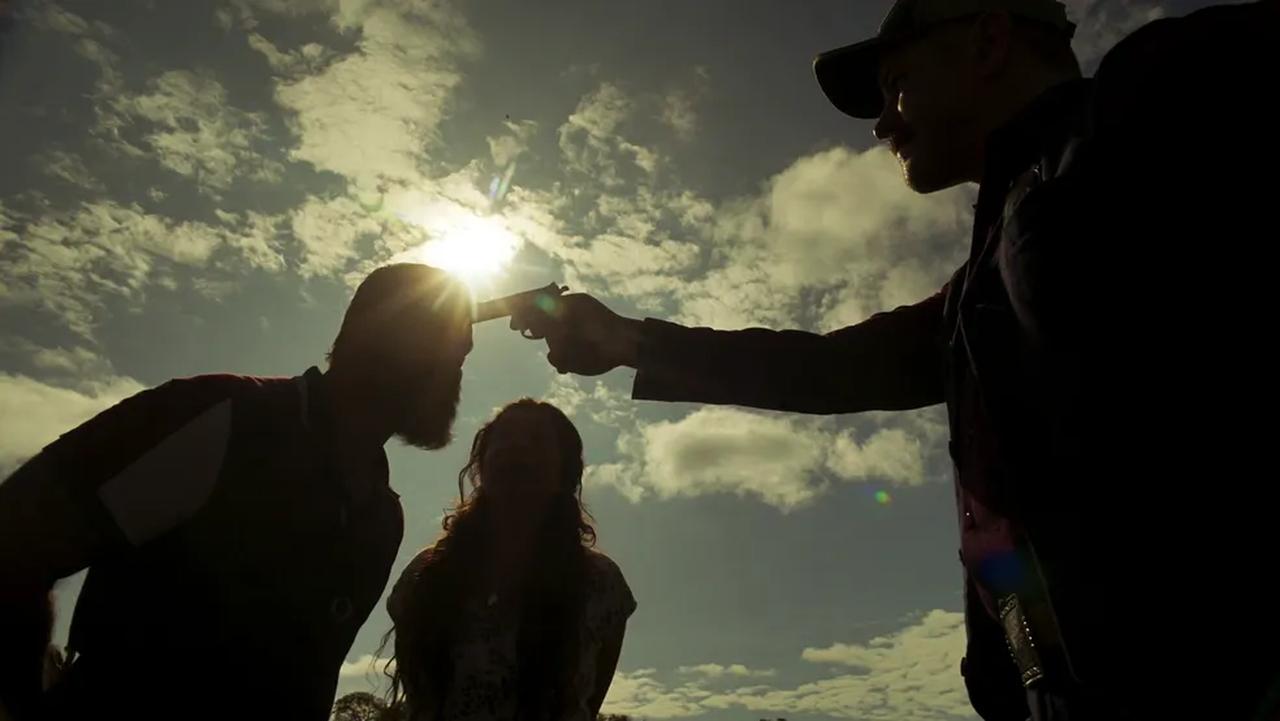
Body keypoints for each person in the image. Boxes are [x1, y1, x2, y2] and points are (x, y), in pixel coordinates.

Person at [517, 1, 1280, 719]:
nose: (882, 122)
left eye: (897, 85)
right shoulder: (971, 291)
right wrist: (628, 341)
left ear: (987, 44)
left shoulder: (1146, 99)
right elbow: (827, 368)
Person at [0, 263, 474, 721]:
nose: (456, 376)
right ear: (384, 344)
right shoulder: (221, 416)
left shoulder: (383, 518)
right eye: (448, 353)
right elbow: (16, 536)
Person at [386, 399, 635, 721]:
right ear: (481, 464)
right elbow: (419, 694)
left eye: (536, 440)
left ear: (565, 472)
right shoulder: (427, 572)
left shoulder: (601, 582)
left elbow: (587, 702)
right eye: (504, 437)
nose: (516, 447)